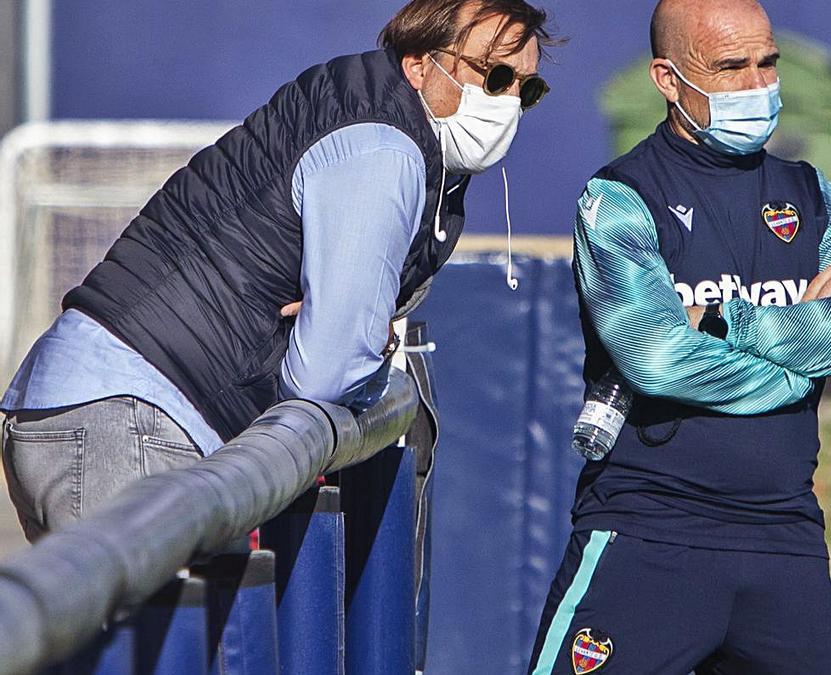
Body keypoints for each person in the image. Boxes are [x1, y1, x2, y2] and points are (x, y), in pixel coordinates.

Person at [1, 0, 558, 540]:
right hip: (130, 418)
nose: (507, 101)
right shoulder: (383, 148)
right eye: (493, 75)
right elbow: (327, 372)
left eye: (525, 88)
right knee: (157, 637)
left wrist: (345, 326)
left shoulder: (394, 133)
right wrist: (359, 344)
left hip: (111, 411)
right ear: (419, 64)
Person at [528, 1, 831, 673]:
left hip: (785, 539)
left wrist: (729, 322)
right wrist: (800, 360)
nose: (757, 85)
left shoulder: (815, 195)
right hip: (648, 532)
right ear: (667, 79)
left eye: (767, 63)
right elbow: (659, 357)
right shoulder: (617, 200)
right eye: (730, 67)